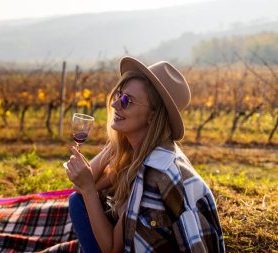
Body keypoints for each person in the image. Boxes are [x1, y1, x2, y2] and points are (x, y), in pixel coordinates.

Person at [65, 56, 225, 253]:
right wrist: (117, 143)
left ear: (152, 115)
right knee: (77, 201)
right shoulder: (140, 151)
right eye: (118, 95)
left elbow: (112, 249)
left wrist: (89, 188)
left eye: (127, 101)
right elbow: (80, 188)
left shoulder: (152, 173)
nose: (115, 105)